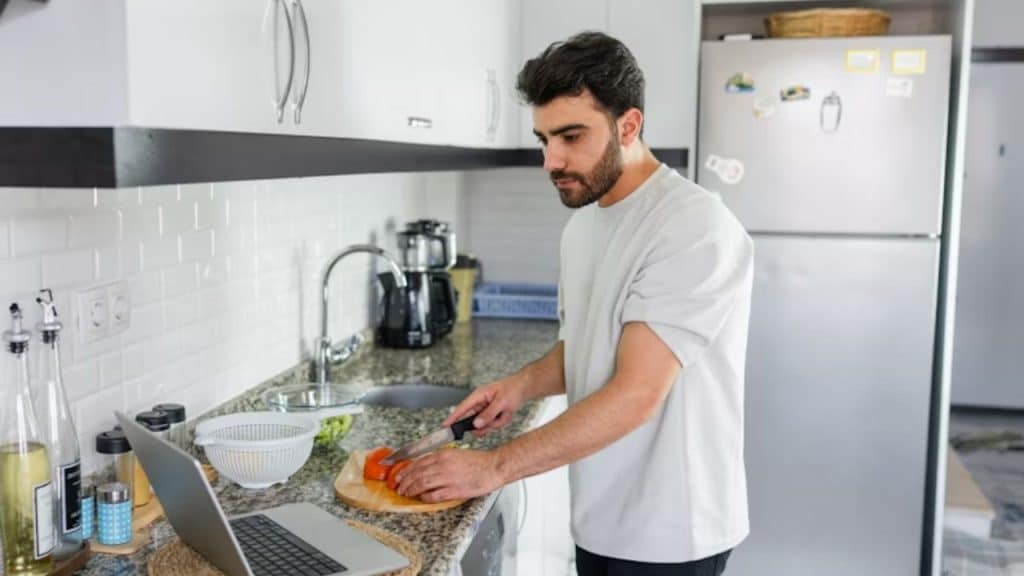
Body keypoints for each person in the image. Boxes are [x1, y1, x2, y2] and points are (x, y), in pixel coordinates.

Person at [394, 31, 754, 576]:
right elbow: (588, 344)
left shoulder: (692, 226)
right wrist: (518, 386)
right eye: (543, 139)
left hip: (673, 528)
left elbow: (636, 393)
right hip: (601, 513)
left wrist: (493, 468)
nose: (550, 160)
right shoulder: (585, 221)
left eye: (570, 136)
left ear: (628, 125)